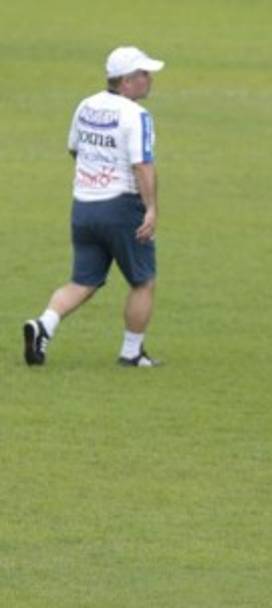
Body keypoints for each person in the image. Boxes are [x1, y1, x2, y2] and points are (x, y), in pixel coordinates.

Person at [23, 46, 165, 367]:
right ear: (126, 82)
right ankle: (132, 352)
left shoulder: (86, 105)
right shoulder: (137, 115)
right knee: (143, 281)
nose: (149, 79)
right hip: (122, 207)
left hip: (84, 207)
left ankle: (43, 324)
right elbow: (142, 165)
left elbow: (74, 148)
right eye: (143, 74)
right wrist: (151, 208)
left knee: (83, 281)